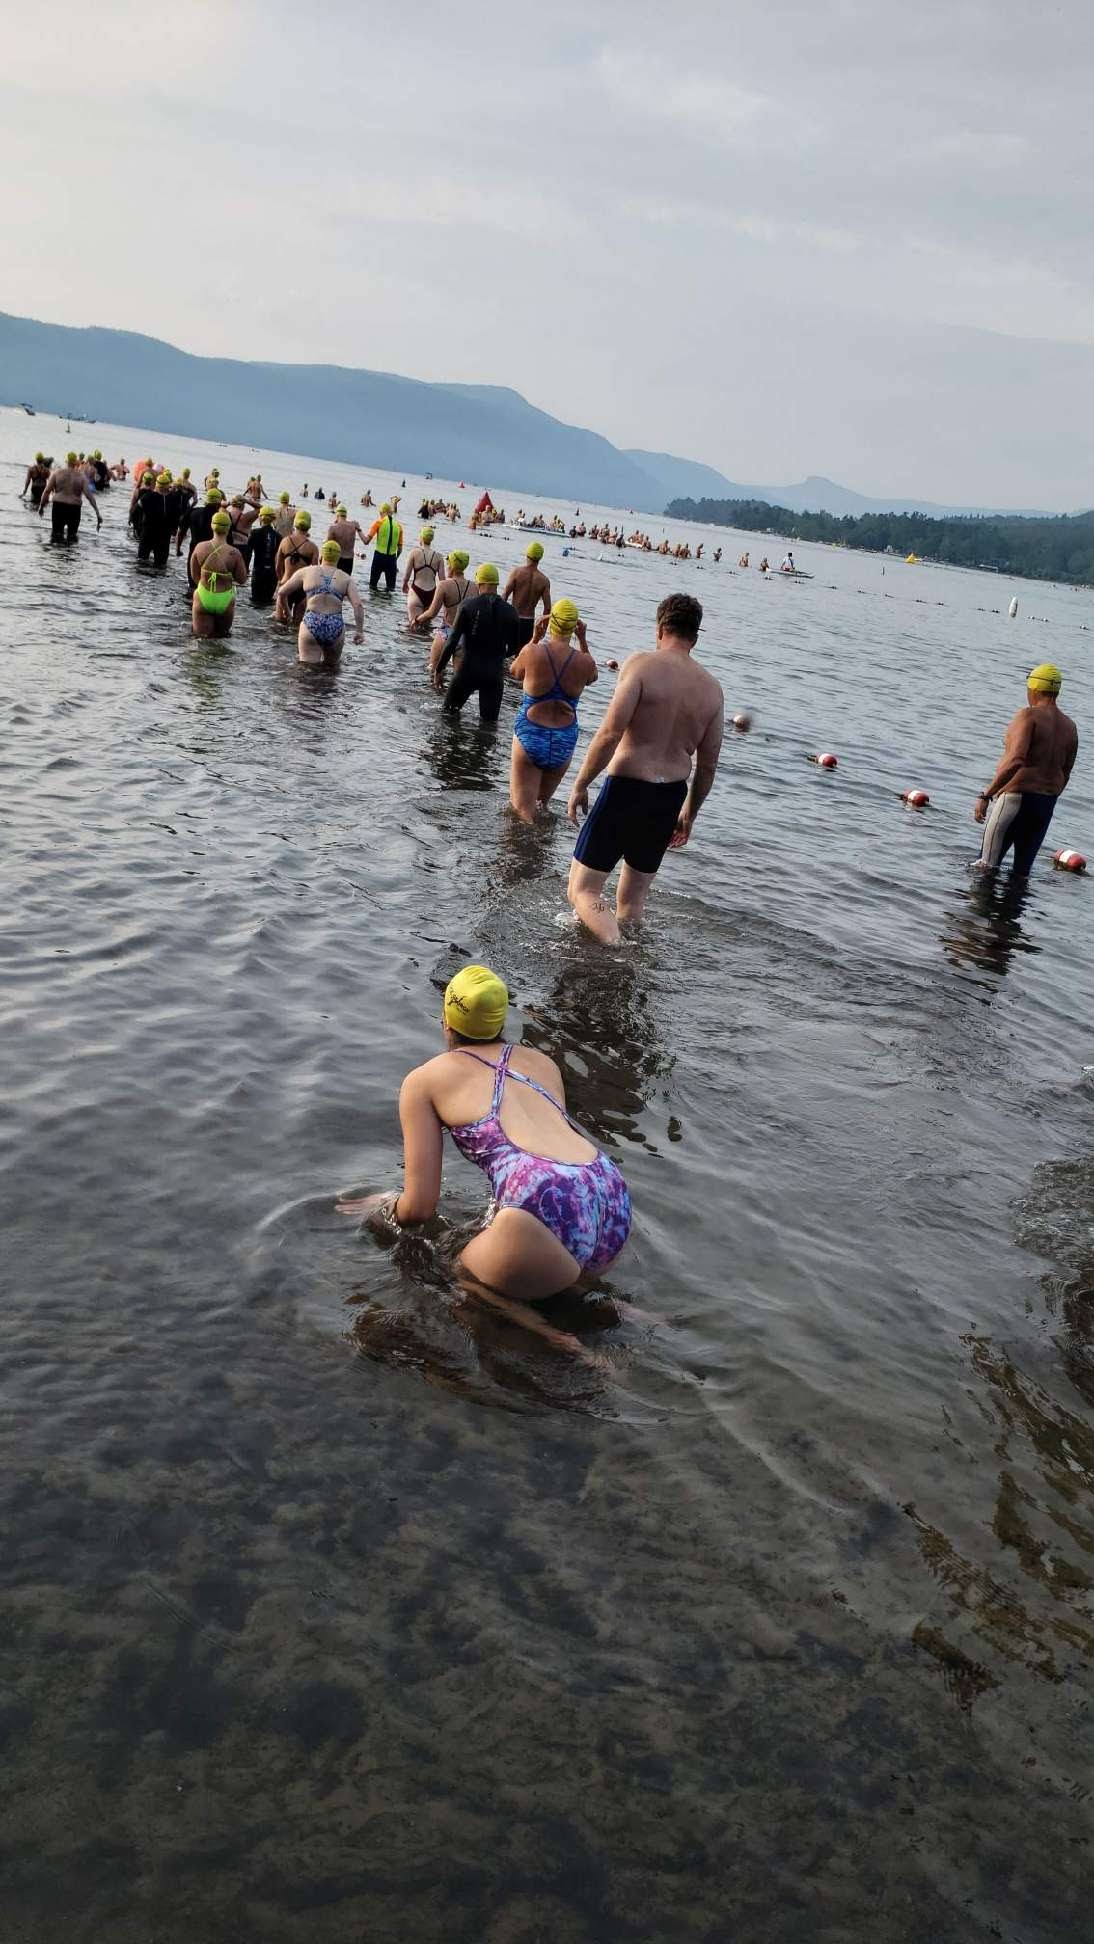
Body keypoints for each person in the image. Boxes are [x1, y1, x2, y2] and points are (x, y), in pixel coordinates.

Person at [335, 965, 631, 1342]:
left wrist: (383, 1208)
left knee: (460, 1276)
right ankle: (612, 1308)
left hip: (542, 1201)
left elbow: (419, 1207)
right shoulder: (542, 1063)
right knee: (557, 1278)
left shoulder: (423, 1081)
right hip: (608, 1192)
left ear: (446, 1020)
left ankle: (564, 1346)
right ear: (500, 1019)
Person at [566, 592, 724, 945]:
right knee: (632, 903)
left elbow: (610, 733)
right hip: (669, 797)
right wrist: (689, 814)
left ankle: (616, 949)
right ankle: (629, 952)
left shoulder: (641, 665)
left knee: (583, 890)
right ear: (695, 637)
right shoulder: (713, 691)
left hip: (626, 788)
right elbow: (708, 765)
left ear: (659, 629)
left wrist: (581, 783)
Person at [974, 664, 1079, 876]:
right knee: (1021, 875)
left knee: (985, 868)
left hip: (1015, 800)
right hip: (1045, 805)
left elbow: (1015, 761)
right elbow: (1065, 773)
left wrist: (986, 795)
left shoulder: (1028, 716)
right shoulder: (1070, 726)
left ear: (1033, 688)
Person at [509, 600, 597, 823]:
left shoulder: (533, 651)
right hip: (563, 741)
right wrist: (583, 641)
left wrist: (535, 637)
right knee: (542, 808)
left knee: (521, 813)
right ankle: (542, 844)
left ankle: (518, 845)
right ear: (575, 627)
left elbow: (515, 671)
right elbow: (593, 677)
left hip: (530, 735)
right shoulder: (584, 662)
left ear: (550, 623)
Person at [433, 563, 523, 722]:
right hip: (494, 674)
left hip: (467, 670)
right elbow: (515, 648)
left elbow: (452, 641)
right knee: (489, 724)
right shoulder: (511, 612)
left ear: (479, 582)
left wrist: (439, 669)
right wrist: (497, 655)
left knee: (447, 715)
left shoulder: (468, 605)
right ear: (496, 584)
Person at [276, 538, 365, 667]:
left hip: (312, 622)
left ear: (321, 556)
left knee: (306, 669)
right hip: (335, 625)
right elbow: (358, 605)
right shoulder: (346, 579)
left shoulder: (306, 571)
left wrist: (288, 613)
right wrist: (359, 631)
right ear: (338, 558)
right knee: (332, 670)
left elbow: (281, 593)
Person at [190, 510, 248, 639]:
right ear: (228, 528)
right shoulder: (234, 553)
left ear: (212, 526)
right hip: (225, 600)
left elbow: (194, 576)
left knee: (200, 638)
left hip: (204, 596)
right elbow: (242, 579)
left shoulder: (200, 547)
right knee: (221, 639)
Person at [416, 550, 473, 671]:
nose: (447, 566)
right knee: (458, 678)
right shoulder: (475, 587)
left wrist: (417, 619)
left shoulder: (443, 585)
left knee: (434, 671)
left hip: (446, 634)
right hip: (464, 637)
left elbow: (432, 613)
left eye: (448, 564)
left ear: (452, 565)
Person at [38, 452, 101, 543]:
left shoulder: (57, 473)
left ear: (66, 461)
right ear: (76, 462)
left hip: (58, 507)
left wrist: (41, 506)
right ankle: (69, 552)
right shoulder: (81, 477)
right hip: (74, 509)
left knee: (56, 535)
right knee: (72, 537)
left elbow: (47, 491)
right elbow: (89, 496)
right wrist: (97, 513)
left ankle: (56, 551)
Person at [502, 542, 552, 648]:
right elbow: (547, 608)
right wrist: (544, 628)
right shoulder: (544, 580)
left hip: (514, 618)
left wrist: (500, 618)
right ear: (540, 558)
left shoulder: (517, 572)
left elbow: (505, 595)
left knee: (506, 651)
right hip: (529, 623)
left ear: (527, 554)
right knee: (523, 653)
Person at [276, 509, 319, 624]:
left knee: (279, 624)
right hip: (301, 589)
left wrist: (281, 580)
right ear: (309, 526)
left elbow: (278, 567)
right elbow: (314, 574)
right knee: (297, 626)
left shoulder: (285, 541)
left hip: (286, 585)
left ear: (295, 523)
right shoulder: (313, 548)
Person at [177, 488, 224, 587]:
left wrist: (178, 548)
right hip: (213, 556)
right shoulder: (222, 519)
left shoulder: (194, 512)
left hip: (194, 553)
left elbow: (181, 532)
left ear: (206, 500)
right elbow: (229, 541)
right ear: (219, 503)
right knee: (209, 587)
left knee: (192, 585)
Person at [402, 525, 446, 624]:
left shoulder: (414, 553)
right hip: (432, 594)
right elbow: (443, 580)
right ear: (431, 539)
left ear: (421, 537)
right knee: (427, 627)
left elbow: (407, 575)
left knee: (413, 625)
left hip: (416, 592)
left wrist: (404, 584)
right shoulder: (439, 557)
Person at [133, 471, 176, 568]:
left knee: (141, 562)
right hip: (164, 536)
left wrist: (137, 528)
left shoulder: (147, 497)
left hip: (147, 533)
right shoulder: (173, 500)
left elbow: (135, 513)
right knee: (161, 565)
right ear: (168, 485)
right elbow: (177, 517)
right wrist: (174, 529)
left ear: (156, 484)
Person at [366, 501, 403, 591]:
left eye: (380, 513)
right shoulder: (399, 526)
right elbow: (400, 549)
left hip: (379, 557)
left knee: (372, 586)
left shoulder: (379, 522)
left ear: (383, 512)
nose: (380, 515)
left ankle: (373, 600)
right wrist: (395, 558)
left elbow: (366, 541)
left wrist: (358, 530)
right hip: (391, 559)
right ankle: (386, 600)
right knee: (390, 589)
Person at [249, 505, 281, 606]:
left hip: (258, 571)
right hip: (272, 574)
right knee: (267, 602)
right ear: (273, 519)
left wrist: (245, 569)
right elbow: (280, 559)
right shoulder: (278, 536)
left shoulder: (255, 533)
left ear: (260, 518)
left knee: (255, 602)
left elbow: (248, 553)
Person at [327, 504, 366, 575]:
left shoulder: (333, 528)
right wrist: (359, 529)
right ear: (346, 515)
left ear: (337, 515)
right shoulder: (354, 525)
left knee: (335, 580)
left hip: (337, 559)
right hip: (349, 560)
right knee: (346, 580)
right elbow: (365, 541)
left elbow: (327, 546)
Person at [228, 493, 259, 564]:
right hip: (242, 547)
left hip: (229, 546)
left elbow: (219, 505)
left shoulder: (225, 514)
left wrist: (228, 503)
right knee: (242, 569)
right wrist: (247, 501)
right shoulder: (245, 517)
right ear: (242, 505)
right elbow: (260, 508)